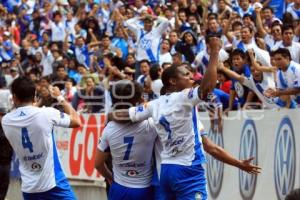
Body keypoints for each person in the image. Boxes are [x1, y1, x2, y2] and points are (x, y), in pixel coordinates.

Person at [108, 37, 261, 200]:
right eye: (186, 75)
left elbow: (125, 115)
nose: (192, 78)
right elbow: (207, 88)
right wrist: (215, 52)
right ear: (173, 81)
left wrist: (110, 115)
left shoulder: (154, 105)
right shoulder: (185, 98)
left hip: (166, 171)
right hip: (188, 169)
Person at [1, 77, 81, 200]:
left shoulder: (6, 121)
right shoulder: (47, 113)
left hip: (29, 187)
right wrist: (60, 97)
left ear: (14, 98)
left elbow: (25, 114)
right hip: (53, 182)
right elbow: (77, 121)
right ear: (34, 97)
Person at [95, 81, 157, 200]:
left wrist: (110, 178)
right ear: (137, 101)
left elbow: (98, 164)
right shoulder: (151, 125)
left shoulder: (109, 128)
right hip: (144, 189)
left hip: (119, 188)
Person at [0, 107, 13, 200]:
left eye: (4, 115)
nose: (3, 117)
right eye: (1, 115)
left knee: (4, 185)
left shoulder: (9, 127)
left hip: (7, 162)